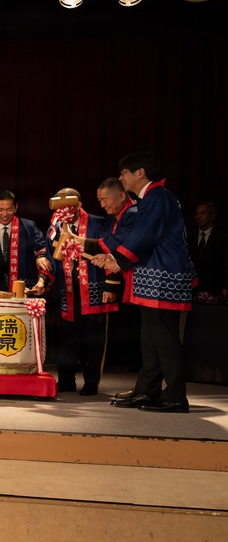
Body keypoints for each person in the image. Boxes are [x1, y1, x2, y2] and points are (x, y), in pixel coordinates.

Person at [98, 153, 195, 413]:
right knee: (150, 338)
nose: (121, 179)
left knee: (164, 338)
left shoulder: (158, 196)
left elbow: (145, 233)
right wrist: (114, 257)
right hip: (155, 275)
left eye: (124, 174)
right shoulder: (152, 198)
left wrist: (118, 261)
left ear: (140, 172)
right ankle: (147, 390)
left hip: (164, 275)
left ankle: (175, 395)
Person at [46, 187, 119, 395]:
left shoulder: (99, 223)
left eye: (69, 208)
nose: (64, 212)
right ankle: (66, 380)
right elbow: (51, 256)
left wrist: (111, 284)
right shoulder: (55, 227)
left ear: (79, 206)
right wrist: (45, 278)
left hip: (95, 290)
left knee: (94, 341)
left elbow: (112, 254)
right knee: (67, 340)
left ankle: (91, 382)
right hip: (68, 292)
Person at [82, 177, 140, 399]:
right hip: (129, 279)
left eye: (105, 200)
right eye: (99, 201)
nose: (103, 205)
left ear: (121, 195)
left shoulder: (133, 215)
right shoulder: (114, 217)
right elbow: (109, 248)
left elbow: (116, 243)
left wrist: (79, 242)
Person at [0, 189, 52, 297]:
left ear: (16, 207)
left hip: (23, 289)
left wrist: (40, 256)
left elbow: (42, 247)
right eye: (0, 210)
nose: (4, 214)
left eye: (9, 209)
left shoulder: (29, 227)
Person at [189, 201, 228, 303]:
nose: (199, 216)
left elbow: (226, 264)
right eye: (197, 213)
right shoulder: (190, 236)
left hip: (215, 289)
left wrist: (225, 286)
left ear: (212, 216)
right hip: (194, 290)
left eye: (203, 213)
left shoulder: (222, 238)